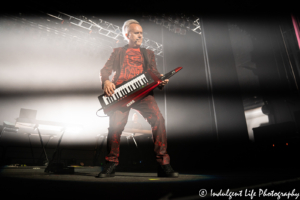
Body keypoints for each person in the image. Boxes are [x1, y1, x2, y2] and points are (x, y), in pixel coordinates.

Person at [96, 19, 178, 178]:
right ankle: (111, 164)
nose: (140, 35)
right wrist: (106, 81)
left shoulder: (149, 53)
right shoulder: (118, 52)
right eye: (136, 33)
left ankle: (163, 164)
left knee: (159, 121)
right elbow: (104, 71)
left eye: (141, 32)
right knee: (115, 126)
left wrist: (161, 81)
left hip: (144, 94)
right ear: (127, 35)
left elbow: (154, 74)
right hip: (121, 94)